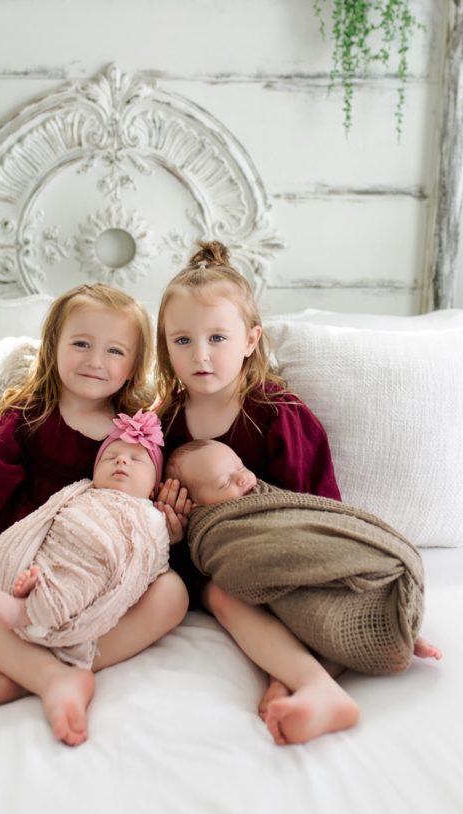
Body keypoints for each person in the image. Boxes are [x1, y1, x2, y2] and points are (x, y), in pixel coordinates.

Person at [153, 240, 435, 744]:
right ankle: (311, 681)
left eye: (217, 337)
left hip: (289, 554)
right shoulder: (164, 426)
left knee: (308, 595)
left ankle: (313, 673)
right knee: (223, 595)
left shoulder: (277, 413)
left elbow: (315, 510)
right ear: (165, 346)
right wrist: (171, 531)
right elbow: (167, 525)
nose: (200, 355)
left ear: (250, 340)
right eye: (182, 340)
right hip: (221, 567)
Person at [0, 284, 189, 746]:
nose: (96, 361)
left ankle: (36, 672)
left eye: (115, 351)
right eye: (81, 343)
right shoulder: (26, 419)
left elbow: (145, 515)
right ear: (53, 345)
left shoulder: (139, 432)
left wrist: (169, 529)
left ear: (135, 364)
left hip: (108, 577)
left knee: (173, 593)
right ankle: (50, 676)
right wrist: (32, 571)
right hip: (32, 570)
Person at [164, 439, 442, 743]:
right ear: (195, 505)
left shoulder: (273, 485)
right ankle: (337, 667)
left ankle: (305, 678)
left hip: (357, 561)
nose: (242, 478)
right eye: (224, 482)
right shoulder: (217, 529)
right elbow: (246, 563)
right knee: (284, 596)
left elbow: (311, 521)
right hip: (282, 575)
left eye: (240, 467)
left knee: (315, 581)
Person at [0, 410, 170, 671]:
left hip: (97, 564)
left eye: (136, 459)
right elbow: (48, 515)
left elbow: (154, 557)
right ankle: (32, 587)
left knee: (76, 587)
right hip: (64, 544)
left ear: (154, 487)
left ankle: (26, 611)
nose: (121, 461)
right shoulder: (81, 491)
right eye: (111, 457)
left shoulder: (151, 517)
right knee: (46, 564)